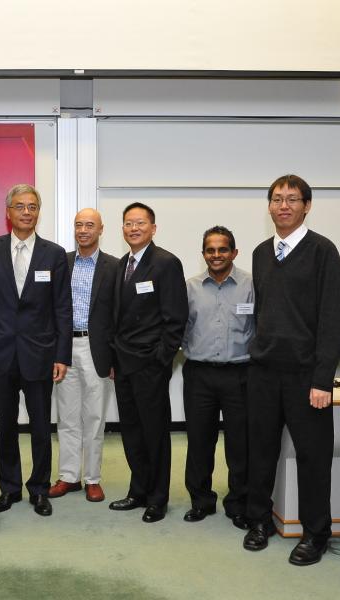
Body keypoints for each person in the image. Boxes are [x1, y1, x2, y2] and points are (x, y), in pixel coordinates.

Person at [243, 174, 340, 566]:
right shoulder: (259, 252)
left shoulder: (323, 250)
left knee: (313, 457)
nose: (283, 205)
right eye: (277, 199)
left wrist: (323, 379)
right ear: (268, 206)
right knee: (261, 453)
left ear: (307, 205)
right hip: (264, 372)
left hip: (308, 378)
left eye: (292, 199)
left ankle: (315, 533)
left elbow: (332, 318)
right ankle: (258, 521)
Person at [0, 184, 72, 517]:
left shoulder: (54, 253)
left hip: (41, 353)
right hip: (1, 352)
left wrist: (62, 355)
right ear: (8, 212)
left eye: (32, 206)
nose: (26, 212)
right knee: (5, 425)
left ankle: (39, 488)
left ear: (38, 211)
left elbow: (63, 306)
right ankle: (9, 488)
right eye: (20, 206)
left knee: (40, 426)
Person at [109, 202, 188, 523]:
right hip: (123, 365)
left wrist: (161, 360)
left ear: (153, 228)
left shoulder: (166, 263)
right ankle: (138, 490)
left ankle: (158, 498)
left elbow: (175, 318)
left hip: (150, 365)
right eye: (128, 223)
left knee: (154, 432)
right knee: (131, 432)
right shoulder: (120, 265)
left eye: (140, 223)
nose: (133, 228)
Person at [181, 226, 252, 529]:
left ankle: (238, 502)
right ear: (203, 254)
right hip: (200, 374)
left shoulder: (252, 285)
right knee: (199, 441)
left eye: (223, 249)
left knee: (240, 444)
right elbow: (181, 326)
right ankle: (201, 501)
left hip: (241, 374)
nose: (217, 255)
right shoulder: (191, 287)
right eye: (210, 250)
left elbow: (261, 327)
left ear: (234, 252)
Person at [49, 208, 117, 503]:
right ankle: (68, 477)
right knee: (66, 418)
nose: (83, 230)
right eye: (79, 225)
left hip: (97, 350)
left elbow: (119, 314)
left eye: (90, 225)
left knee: (94, 417)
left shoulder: (114, 266)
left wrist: (115, 357)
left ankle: (92, 478)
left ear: (101, 229)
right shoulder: (60, 262)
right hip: (65, 349)